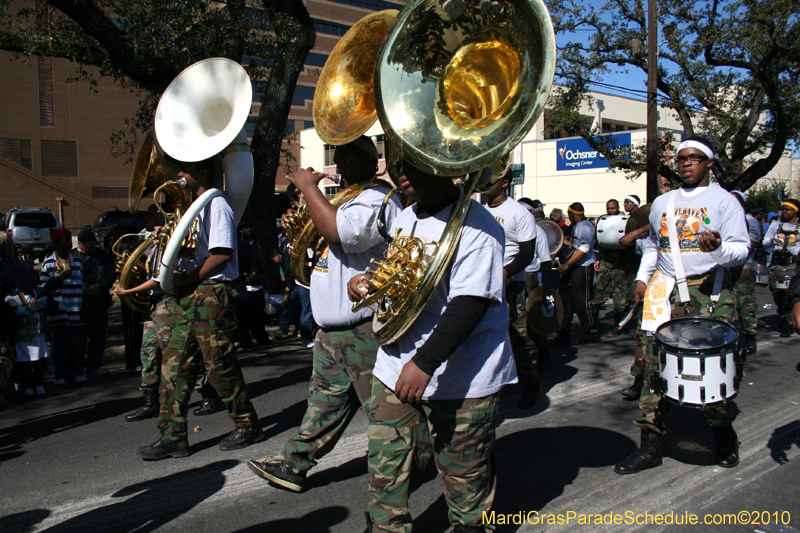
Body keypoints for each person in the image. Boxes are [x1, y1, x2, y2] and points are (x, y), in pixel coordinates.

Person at [247, 136, 423, 494]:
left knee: (386, 412)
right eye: (338, 159)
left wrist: (310, 189)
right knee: (323, 403)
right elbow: (319, 246)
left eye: (349, 160)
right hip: (331, 331)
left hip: (363, 330)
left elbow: (339, 231)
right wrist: (302, 225)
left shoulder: (377, 198)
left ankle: (413, 465)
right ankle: (295, 465)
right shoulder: (344, 200)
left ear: (374, 166)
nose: (340, 166)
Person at [349, 158, 517, 533]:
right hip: (396, 366)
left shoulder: (480, 226)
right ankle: (385, 526)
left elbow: (469, 303)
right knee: (386, 465)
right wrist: (368, 283)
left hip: (462, 374)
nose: (401, 171)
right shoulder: (406, 217)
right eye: (398, 163)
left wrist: (425, 362)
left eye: (415, 163)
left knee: (464, 473)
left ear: (443, 165)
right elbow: (401, 277)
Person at [614, 137, 750, 475]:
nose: (686, 163)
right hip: (664, 291)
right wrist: (642, 282)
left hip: (708, 292)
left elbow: (742, 249)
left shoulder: (724, 202)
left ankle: (723, 437)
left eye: (695, 158)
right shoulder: (662, 203)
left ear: (709, 163)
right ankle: (650, 446)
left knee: (708, 372)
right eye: (682, 158)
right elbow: (653, 249)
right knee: (653, 370)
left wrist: (717, 249)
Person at [136, 156, 262, 460]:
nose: (179, 174)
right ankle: (172, 436)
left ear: (203, 172)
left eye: (186, 169)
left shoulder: (215, 204)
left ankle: (247, 424)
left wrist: (188, 276)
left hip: (210, 294)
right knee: (174, 366)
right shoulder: (191, 209)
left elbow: (221, 254)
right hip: (188, 293)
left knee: (219, 364)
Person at [482, 170, 540, 408]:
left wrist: (505, 272)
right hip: (483, 283)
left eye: (492, 181)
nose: (486, 185)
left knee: (516, 339)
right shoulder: (479, 211)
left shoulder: (519, 213)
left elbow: (527, 252)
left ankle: (530, 386)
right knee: (485, 338)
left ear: (505, 183)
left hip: (511, 285)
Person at [39, 228, 85, 385]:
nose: (69, 242)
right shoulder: (48, 263)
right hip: (58, 311)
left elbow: (82, 286)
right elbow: (44, 288)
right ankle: (58, 375)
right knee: (57, 346)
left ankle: (76, 372)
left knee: (75, 345)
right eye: (66, 240)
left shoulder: (77, 262)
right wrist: (59, 278)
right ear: (57, 243)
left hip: (75, 309)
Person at [5, 263, 57, 396]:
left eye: (29, 285)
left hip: (38, 334)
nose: (27, 288)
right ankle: (27, 384)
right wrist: (16, 313)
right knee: (24, 362)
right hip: (23, 336)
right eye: (23, 287)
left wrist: (46, 304)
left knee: (40, 360)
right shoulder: (11, 298)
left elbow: (54, 306)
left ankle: (39, 383)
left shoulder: (40, 293)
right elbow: (5, 316)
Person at [553, 202, 600, 344]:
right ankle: (563, 332)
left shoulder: (585, 226)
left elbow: (584, 248)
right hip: (573, 268)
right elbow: (576, 246)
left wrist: (567, 264)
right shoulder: (577, 227)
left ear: (572, 214)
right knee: (565, 300)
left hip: (582, 267)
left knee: (581, 301)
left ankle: (591, 331)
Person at [76, 227, 116, 377]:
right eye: (87, 245)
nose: (90, 248)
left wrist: (102, 285)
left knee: (98, 336)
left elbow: (112, 273)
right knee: (79, 339)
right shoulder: (73, 256)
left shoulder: (102, 256)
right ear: (80, 244)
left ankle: (94, 366)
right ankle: (78, 369)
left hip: (99, 302)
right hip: (80, 304)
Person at [592, 199, 633, 335]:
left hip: (620, 263)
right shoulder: (603, 221)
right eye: (609, 208)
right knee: (599, 291)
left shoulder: (624, 221)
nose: (610, 211)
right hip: (606, 261)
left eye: (613, 208)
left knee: (619, 296)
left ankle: (618, 325)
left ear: (618, 208)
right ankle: (593, 323)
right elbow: (598, 240)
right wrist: (598, 258)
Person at [761, 198, 799, 337]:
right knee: (778, 292)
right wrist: (773, 240)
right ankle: (784, 314)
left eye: (787, 209)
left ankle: (786, 321)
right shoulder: (776, 225)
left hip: (794, 263)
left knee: (791, 292)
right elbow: (765, 242)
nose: (783, 212)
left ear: (795, 211)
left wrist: (793, 248)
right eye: (782, 209)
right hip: (778, 264)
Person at [730, 190, 762, 352]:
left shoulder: (750, 221)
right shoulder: (725, 220)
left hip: (743, 267)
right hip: (724, 267)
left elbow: (751, 245)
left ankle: (750, 335)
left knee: (745, 303)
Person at [236, 222, 276, 350]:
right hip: (247, 285)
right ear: (240, 230)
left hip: (257, 283)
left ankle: (261, 338)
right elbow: (241, 264)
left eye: (250, 227)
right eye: (245, 228)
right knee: (245, 317)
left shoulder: (255, 244)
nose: (249, 230)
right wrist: (243, 281)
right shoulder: (239, 245)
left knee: (259, 315)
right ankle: (246, 340)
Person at [524, 217, 553, 368]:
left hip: (529, 277)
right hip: (509, 275)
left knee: (531, 318)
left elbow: (546, 261)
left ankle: (543, 349)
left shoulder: (538, 232)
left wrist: (546, 290)